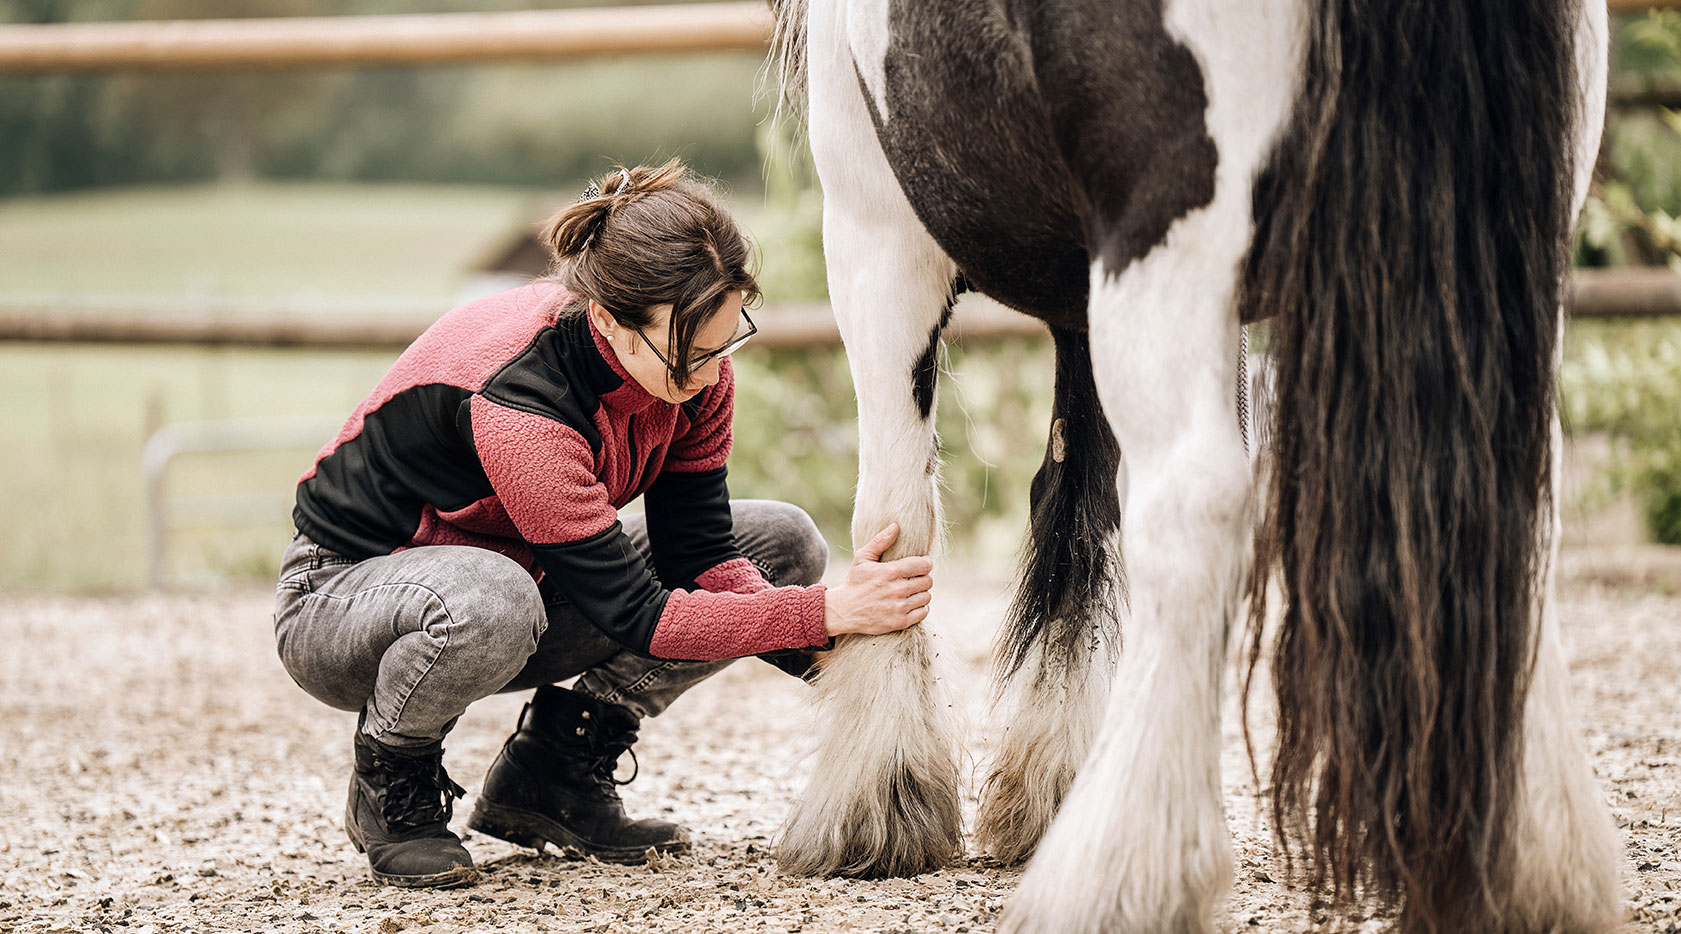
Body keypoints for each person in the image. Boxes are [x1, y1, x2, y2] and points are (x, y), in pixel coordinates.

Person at [271, 159, 934, 888]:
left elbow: (701, 554)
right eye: (689, 350)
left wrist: (840, 649)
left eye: (725, 342)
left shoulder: (692, 372)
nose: (711, 374)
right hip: (342, 601)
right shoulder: (523, 405)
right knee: (493, 600)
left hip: (518, 578)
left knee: (781, 543)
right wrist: (825, 611)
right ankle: (391, 784)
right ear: (610, 322)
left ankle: (554, 773)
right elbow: (640, 615)